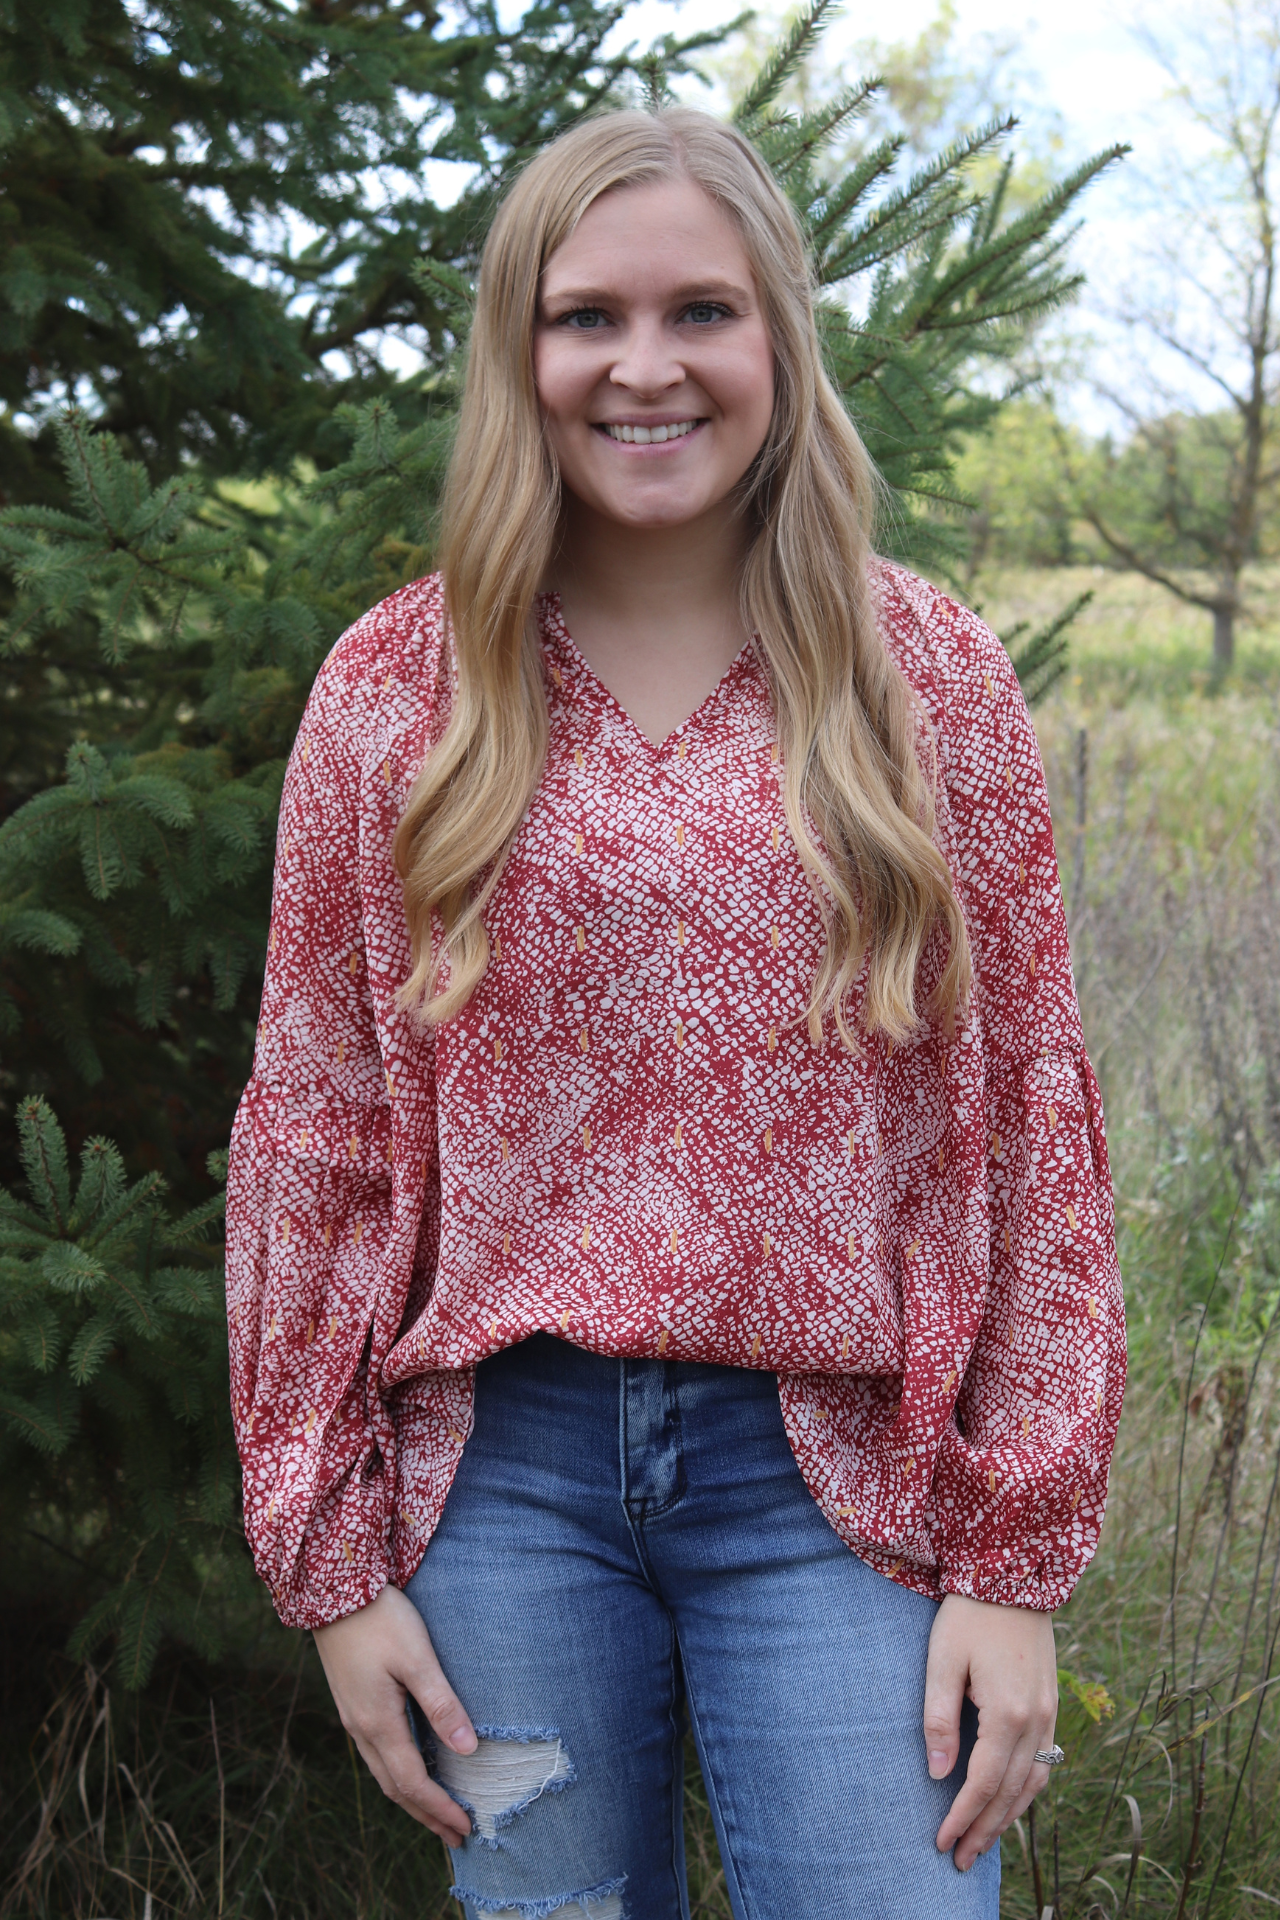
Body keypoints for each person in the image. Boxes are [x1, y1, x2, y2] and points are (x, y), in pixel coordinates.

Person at [225, 106, 1125, 1920]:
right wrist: (325, 1564)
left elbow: (1029, 1113)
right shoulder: (400, 692)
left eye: (702, 312)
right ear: (521, 351)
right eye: (588, 318)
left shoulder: (919, 677)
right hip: (502, 1489)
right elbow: (311, 1124)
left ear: (779, 342)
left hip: (848, 1482)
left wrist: (1017, 1558)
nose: (646, 368)